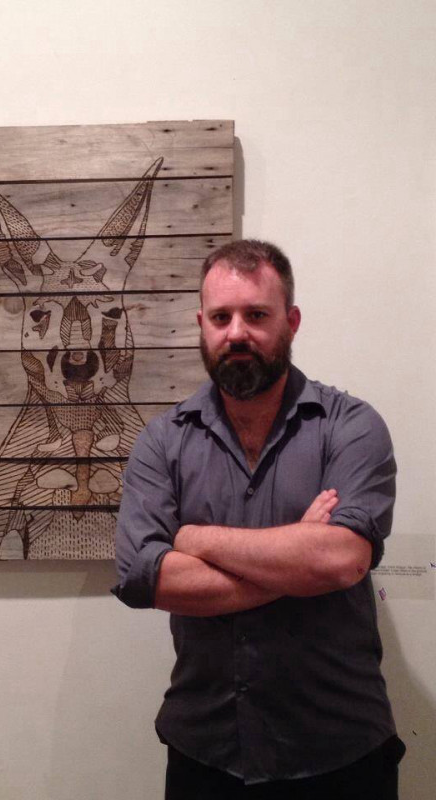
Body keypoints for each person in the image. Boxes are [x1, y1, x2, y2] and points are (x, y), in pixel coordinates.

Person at [112, 240, 405, 799]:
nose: (237, 333)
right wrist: (298, 560)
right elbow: (145, 579)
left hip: (340, 752)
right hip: (207, 752)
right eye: (221, 317)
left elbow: (342, 561)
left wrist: (195, 538)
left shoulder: (351, 426)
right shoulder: (162, 442)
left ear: (290, 322)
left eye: (257, 315)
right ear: (201, 325)